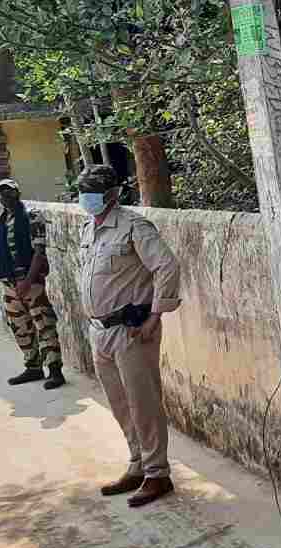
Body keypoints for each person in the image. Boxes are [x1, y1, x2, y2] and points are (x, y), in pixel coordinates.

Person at [77, 165, 181, 508]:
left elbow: (166, 266)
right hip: (100, 331)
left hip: (131, 330)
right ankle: (138, 464)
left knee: (143, 402)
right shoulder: (89, 230)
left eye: (92, 191)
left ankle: (157, 473)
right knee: (120, 404)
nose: (86, 198)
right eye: (83, 191)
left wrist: (155, 316)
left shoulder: (134, 226)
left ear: (112, 194)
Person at [0, 178, 65, 390]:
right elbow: (4, 250)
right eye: (1, 193)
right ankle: (33, 367)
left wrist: (27, 282)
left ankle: (55, 370)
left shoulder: (31, 216)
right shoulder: (2, 220)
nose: (5, 196)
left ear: (17, 193)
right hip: (9, 283)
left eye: (9, 192)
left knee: (43, 324)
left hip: (30, 281)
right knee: (19, 327)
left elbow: (39, 252)